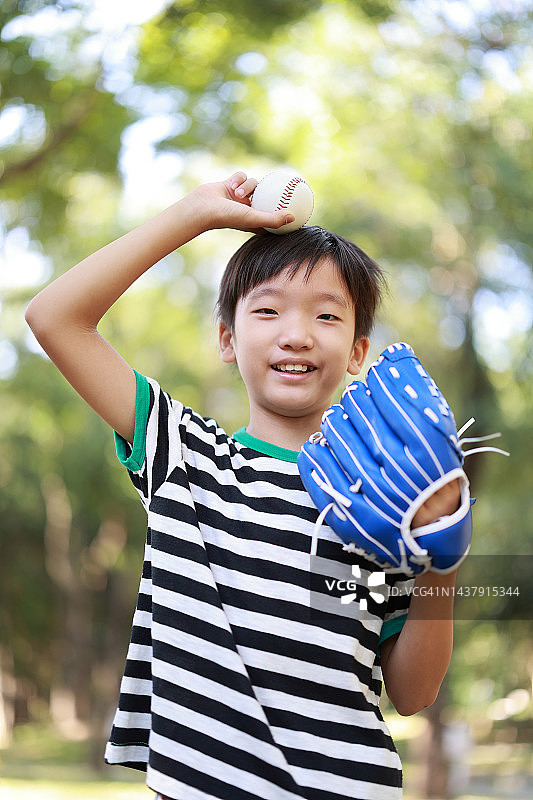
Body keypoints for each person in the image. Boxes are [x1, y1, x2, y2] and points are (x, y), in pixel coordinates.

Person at [26, 171, 461, 800]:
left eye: (327, 315)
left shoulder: (386, 505)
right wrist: (195, 215)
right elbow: (55, 318)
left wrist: (440, 562)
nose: (296, 333)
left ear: (359, 350)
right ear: (228, 339)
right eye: (267, 309)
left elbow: (414, 694)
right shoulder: (184, 456)